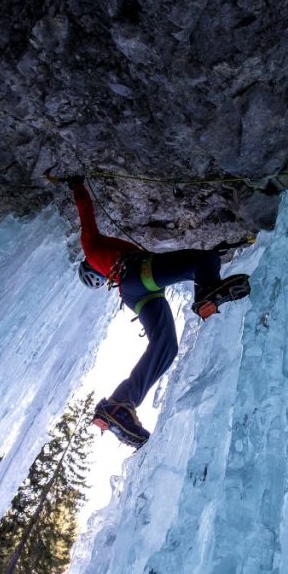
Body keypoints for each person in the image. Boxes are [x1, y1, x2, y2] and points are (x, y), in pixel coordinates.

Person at [61, 177, 250, 449]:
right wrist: (77, 184)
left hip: (137, 295)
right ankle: (207, 290)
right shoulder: (91, 250)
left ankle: (119, 406)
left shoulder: (103, 266)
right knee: (204, 260)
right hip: (137, 274)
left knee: (166, 346)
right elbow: (86, 214)